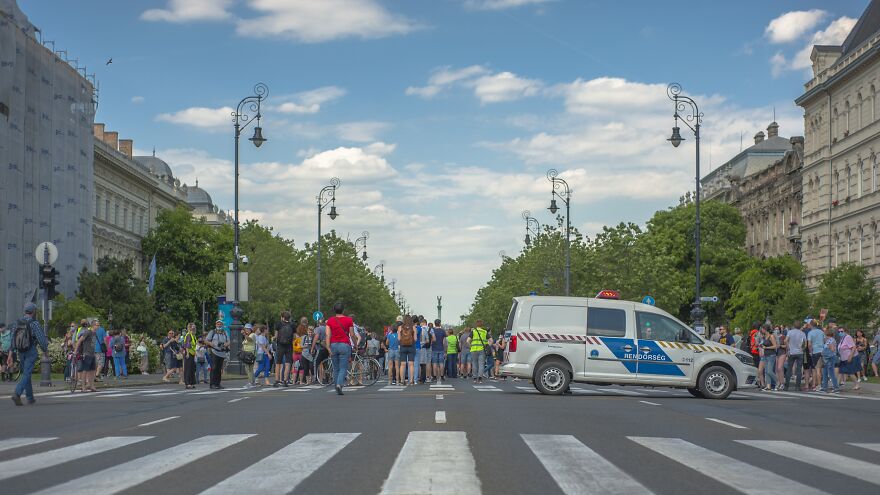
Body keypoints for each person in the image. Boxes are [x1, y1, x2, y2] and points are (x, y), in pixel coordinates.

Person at [10, 303, 49, 405]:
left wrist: (11, 353)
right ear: (34, 312)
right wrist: (45, 350)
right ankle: (17, 393)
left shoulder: (17, 322)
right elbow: (41, 339)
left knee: (26, 373)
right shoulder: (34, 323)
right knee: (27, 374)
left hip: (20, 351)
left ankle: (30, 398)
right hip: (30, 350)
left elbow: (12, 339)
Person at [325, 302, 355, 395]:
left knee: (336, 368)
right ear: (343, 310)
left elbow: (327, 335)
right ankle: (339, 384)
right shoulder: (349, 320)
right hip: (345, 345)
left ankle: (336, 386)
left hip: (333, 345)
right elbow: (352, 334)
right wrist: (355, 345)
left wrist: (328, 346)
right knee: (343, 367)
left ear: (334, 310)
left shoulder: (330, 321)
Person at [73, 318, 98, 393]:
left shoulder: (94, 333)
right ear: (93, 325)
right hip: (86, 354)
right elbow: (80, 340)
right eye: (97, 325)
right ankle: (83, 387)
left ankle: (92, 385)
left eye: (98, 325)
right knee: (85, 371)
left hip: (92, 354)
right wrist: (75, 351)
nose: (98, 326)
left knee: (92, 371)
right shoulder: (88, 332)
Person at [206, 319, 230, 389]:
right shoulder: (212, 332)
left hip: (222, 352)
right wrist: (211, 344)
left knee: (219, 369)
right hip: (214, 352)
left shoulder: (225, 332)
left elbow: (229, 341)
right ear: (216, 325)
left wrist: (226, 344)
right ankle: (212, 384)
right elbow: (206, 340)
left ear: (222, 325)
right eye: (218, 324)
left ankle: (218, 383)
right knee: (214, 368)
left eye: (220, 324)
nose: (219, 325)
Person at [274, 311, 295, 387]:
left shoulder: (278, 324)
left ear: (282, 317)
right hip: (289, 346)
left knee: (278, 363)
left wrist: (274, 338)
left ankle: (277, 380)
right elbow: (294, 336)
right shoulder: (292, 325)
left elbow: (276, 336)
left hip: (280, 345)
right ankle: (285, 380)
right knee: (288, 363)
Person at [783, 322, 806, 391]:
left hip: (791, 352)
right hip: (800, 352)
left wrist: (788, 348)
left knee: (789, 369)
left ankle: (786, 386)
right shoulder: (802, 333)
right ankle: (797, 386)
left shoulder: (790, 332)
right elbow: (805, 344)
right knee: (799, 370)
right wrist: (802, 348)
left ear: (793, 326)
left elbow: (785, 340)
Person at [398, 315, 417, 386]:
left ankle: (402, 381)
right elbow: (415, 339)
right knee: (411, 364)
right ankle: (411, 381)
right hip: (411, 347)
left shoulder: (400, 327)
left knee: (402, 364)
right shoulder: (413, 327)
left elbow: (399, 339)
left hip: (403, 347)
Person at [821, 326, 840, 393]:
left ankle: (836, 388)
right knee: (825, 373)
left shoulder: (831, 340)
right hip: (826, 358)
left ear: (827, 334)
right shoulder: (828, 340)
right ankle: (824, 387)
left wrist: (828, 347)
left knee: (831, 373)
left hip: (830, 358)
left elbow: (832, 349)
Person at [759, 324, 778, 391]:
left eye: (762, 329)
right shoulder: (765, 337)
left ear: (765, 329)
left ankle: (778, 382)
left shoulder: (771, 336)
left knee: (769, 371)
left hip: (771, 355)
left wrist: (766, 347)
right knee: (766, 371)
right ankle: (768, 386)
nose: (761, 330)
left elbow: (775, 346)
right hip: (766, 355)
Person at [470, 320, 489, 384]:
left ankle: (475, 378)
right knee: (481, 364)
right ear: (482, 325)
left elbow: (467, 341)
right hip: (482, 349)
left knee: (474, 363)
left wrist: (471, 346)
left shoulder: (473, 331)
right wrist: (487, 345)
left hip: (474, 350)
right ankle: (480, 378)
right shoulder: (485, 332)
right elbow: (491, 340)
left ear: (476, 324)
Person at [311, 319, 329, 385]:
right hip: (326, 348)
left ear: (318, 323)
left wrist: (312, 348)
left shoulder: (317, 329)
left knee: (316, 363)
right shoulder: (327, 329)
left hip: (320, 348)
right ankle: (327, 378)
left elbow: (316, 337)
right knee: (325, 364)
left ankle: (315, 379)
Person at [429, 319, 446, 384]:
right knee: (441, 363)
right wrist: (445, 350)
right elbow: (444, 342)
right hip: (441, 348)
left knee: (434, 363)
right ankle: (442, 376)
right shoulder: (443, 331)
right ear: (440, 323)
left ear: (434, 323)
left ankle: (435, 376)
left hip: (434, 348)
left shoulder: (432, 330)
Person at [181, 323, 198, 389]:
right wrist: (187, 353)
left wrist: (195, 353)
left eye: (194, 327)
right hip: (189, 353)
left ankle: (191, 382)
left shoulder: (193, 335)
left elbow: (194, 345)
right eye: (192, 327)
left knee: (192, 369)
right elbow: (187, 345)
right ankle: (187, 383)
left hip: (192, 353)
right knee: (188, 368)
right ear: (190, 328)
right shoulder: (188, 335)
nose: (193, 328)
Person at [292, 317, 308, 385]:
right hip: (302, 353)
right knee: (301, 367)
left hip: (295, 353)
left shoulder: (295, 335)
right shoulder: (305, 335)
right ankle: (301, 381)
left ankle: (293, 381)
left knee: (295, 367)